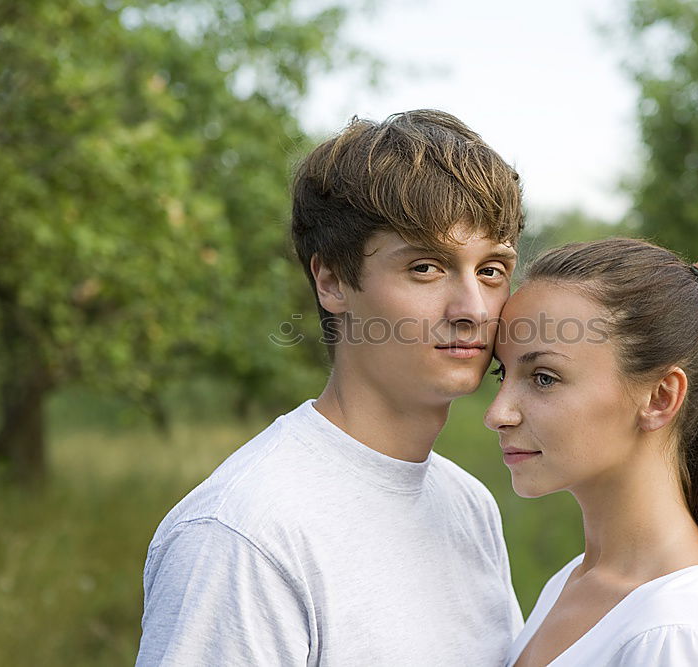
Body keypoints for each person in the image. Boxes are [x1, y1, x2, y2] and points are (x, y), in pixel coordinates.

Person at [136, 110, 526, 666]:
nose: (472, 310)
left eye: (490, 270)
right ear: (332, 281)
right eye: (426, 267)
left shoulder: (470, 506)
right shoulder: (243, 535)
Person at [485, 238, 698, 666]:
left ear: (660, 398)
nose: (498, 413)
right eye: (502, 373)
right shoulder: (576, 580)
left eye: (544, 378)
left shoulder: (680, 634)